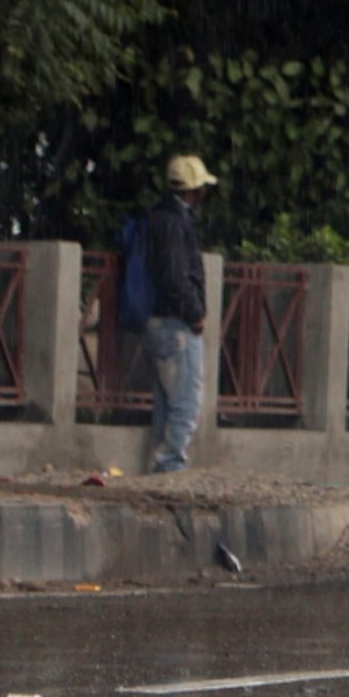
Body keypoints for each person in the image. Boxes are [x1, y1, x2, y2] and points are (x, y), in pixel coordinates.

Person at [143, 154, 215, 474]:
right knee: (186, 402)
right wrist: (195, 314)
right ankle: (170, 466)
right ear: (194, 190)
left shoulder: (158, 217)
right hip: (177, 325)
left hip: (158, 320)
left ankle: (161, 466)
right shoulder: (174, 223)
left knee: (167, 403)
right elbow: (175, 276)